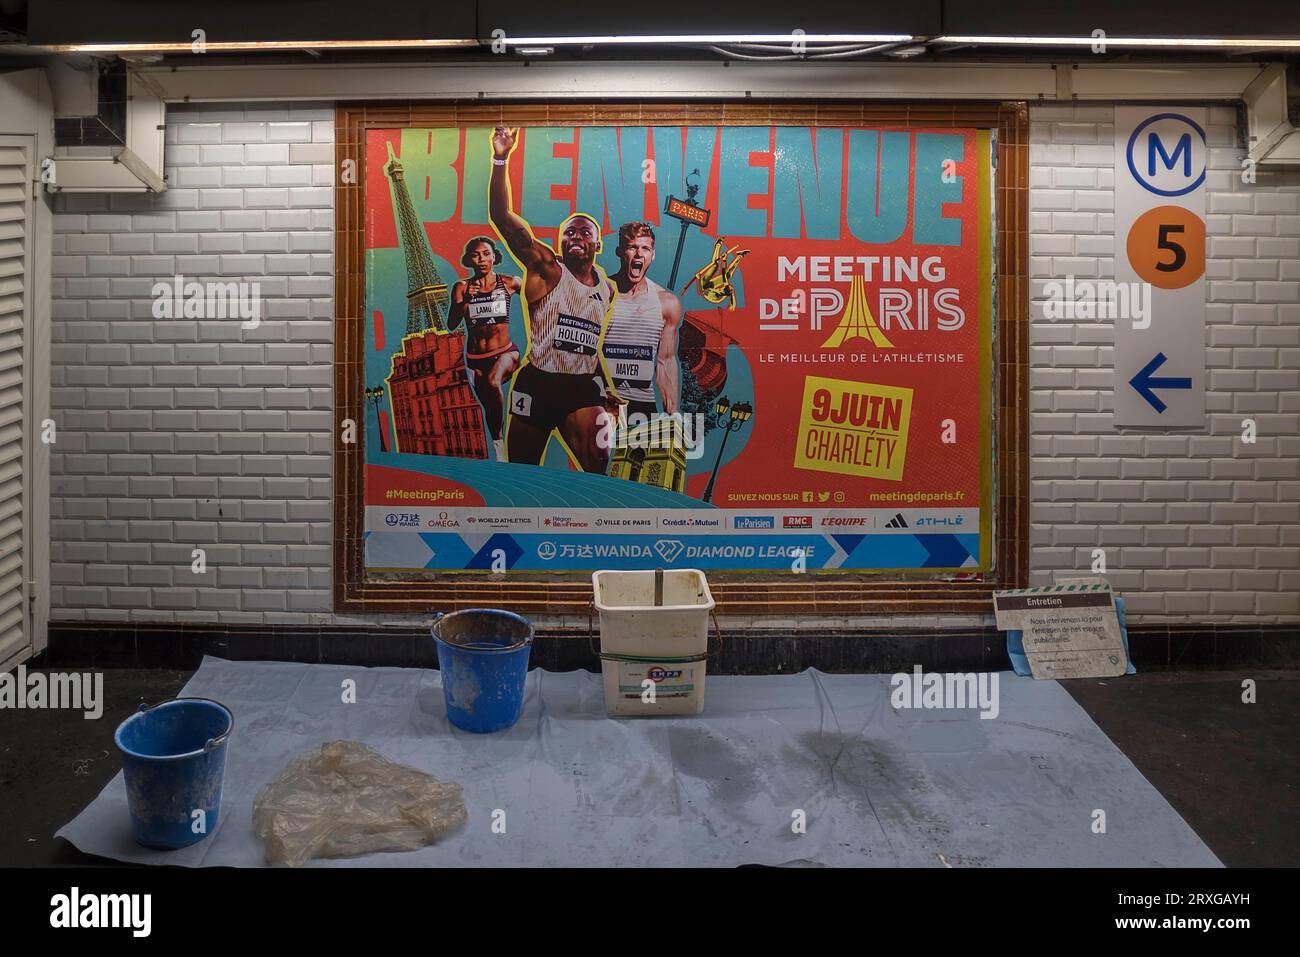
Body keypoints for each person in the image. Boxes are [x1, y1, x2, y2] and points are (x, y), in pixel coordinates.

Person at [488, 126, 618, 473]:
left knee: (598, 464)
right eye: (569, 233)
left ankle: (591, 525)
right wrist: (501, 159)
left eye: (584, 232)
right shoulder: (546, 269)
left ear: (597, 244)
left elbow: (592, 344)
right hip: (539, 382)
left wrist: (605, 386)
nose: (575, 236)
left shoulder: (606, 288)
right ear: (560, 243)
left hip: (581, 386)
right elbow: (504, 220)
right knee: (523, 474)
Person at [447, 236, 521, 462]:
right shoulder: (462, 286)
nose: (482, 259)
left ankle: (503, 448)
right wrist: (464, 302)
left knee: (493, 382)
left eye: (486, 254)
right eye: (476, 255)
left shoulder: (510, 282)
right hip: (476, 359)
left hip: (506, 352)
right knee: (490, 407)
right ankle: (497, 443)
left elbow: (539, 287)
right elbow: (451, 324)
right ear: (469, 259)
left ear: (494, 257)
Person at [604, 222, 682, 421]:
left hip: (641, 404)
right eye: (632, 247)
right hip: (600, 400)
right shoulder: (601, 292)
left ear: (652, 255)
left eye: (645, 248)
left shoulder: (667, 303)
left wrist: (672, 413)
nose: (639, 254)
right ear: (620, 252)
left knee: (649, 452)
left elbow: (666, 361)